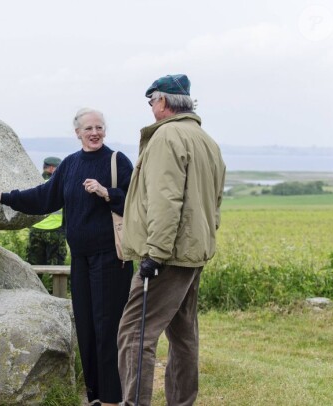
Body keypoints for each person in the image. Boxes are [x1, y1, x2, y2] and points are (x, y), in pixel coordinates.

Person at [0, 108, 134, 406]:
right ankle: (95, 396)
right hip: (81, 259)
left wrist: (107, 193)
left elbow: (138, 202)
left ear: (105, 131)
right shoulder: (70, 165)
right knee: (87, 328)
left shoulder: (117, 161)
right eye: (88, 128)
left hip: (111, 258)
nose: (95, 133)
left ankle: (112, 399)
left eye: (99, 127)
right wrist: (5, 196)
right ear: (77, 132)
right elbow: (44, 197)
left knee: (107, 328)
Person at [117, 74, 226, 406]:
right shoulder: (206, 140)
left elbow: (166, 200)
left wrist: (155, 255)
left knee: (134, 333)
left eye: (152, 101)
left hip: (167, 255)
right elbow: (216, 202)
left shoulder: (167, 137)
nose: (151, 107)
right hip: (192, 254)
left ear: (162, 101)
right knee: (183, 336)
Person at [27, 156, 67, 266]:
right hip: (55, 230)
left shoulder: (34, 183)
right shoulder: (60, 184)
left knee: (34, 266)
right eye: (58, 168)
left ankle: (34, 284)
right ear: (50, 168)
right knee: (56, 268)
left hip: (35, 230)